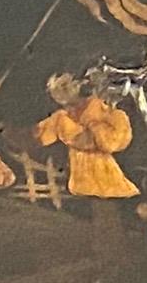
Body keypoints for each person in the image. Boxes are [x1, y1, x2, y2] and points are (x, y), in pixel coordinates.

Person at [35, 71, 136, 201]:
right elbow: (39, 137)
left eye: (64, 87)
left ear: (77, 86)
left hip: (105, 179)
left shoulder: (99, 109)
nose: (58, 94)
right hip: (79, 181)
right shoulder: (63, 115)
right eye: (54, 90)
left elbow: (112, 142)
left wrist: (93, 127)